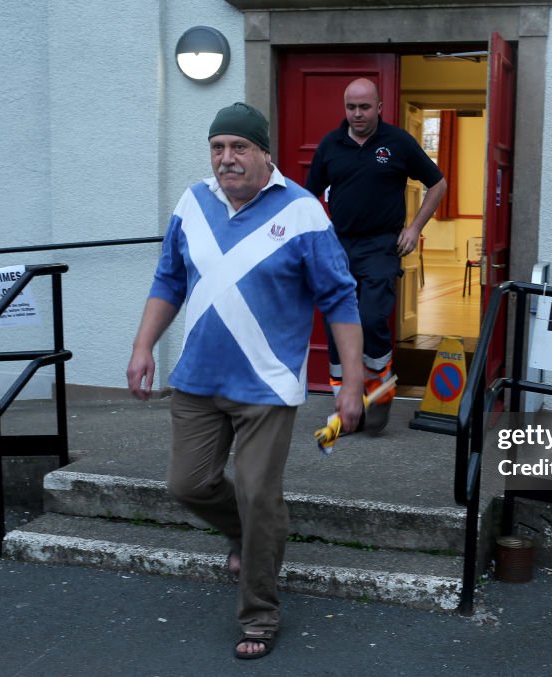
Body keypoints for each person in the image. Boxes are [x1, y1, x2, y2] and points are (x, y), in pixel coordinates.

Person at [126, 102, 363, 660]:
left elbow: (340, 297)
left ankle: (259, 614)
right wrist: (143, 347)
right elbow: (169, 280)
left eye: (239, 148)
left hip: (267, 385)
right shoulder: (194, 201)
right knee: (187, 485)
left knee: (259, 495)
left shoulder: (303, 212)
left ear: (264, 154)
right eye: (218, 148)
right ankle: (247, 535)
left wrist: (351, 381)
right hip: (197, 379)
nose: (226, 159)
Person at [305, 77, 447, 432]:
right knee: (339, 323)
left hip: (381, 246)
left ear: (379, 107)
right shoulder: (330, 145)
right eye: (351, 107)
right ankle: (345, 402)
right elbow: (308, 198)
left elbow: (438, 183)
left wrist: (414, 228)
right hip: (339, 247)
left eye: (364, 107)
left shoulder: (397, 142)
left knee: (370, 318)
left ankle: (379, 388)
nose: (357, 114)